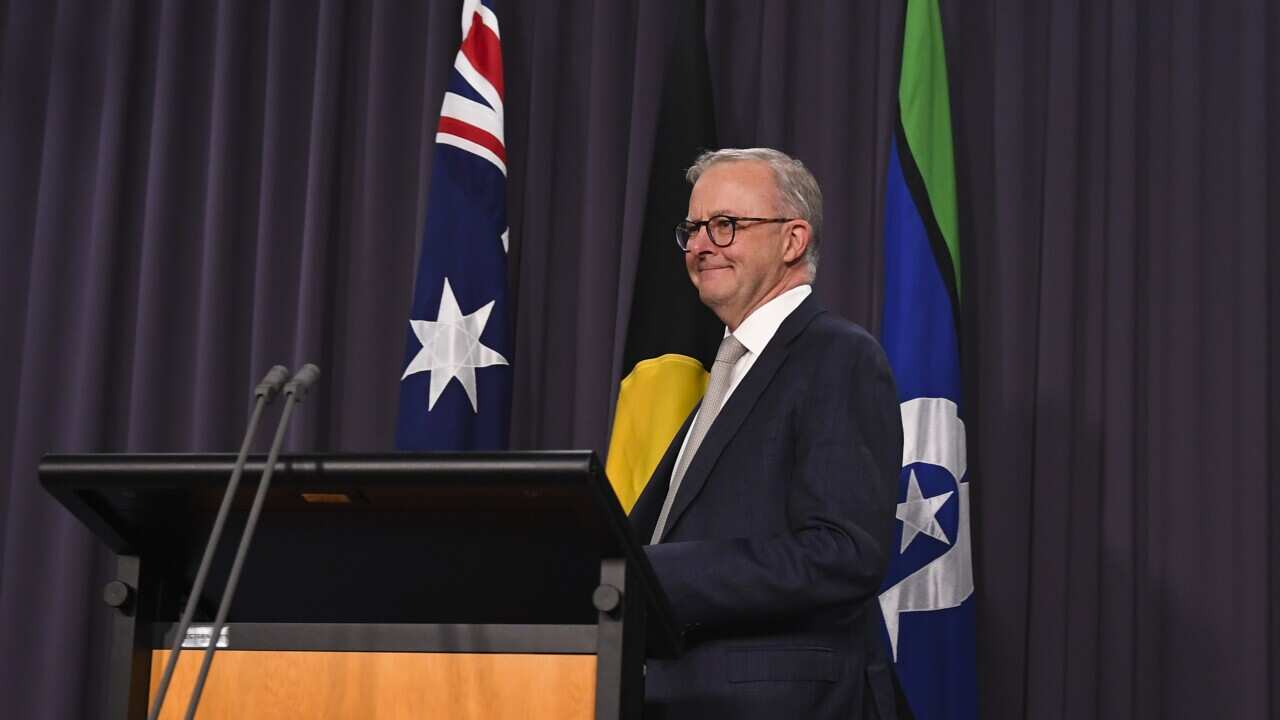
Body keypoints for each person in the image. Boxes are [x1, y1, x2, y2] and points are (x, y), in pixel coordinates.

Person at [629, 148, 904, 719]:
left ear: (792, 240)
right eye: (693, 228)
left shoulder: (838, 357)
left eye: (725, 226)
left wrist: (653, 572)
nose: (702, 244)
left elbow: (843, 552)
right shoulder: (729, 371)